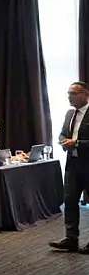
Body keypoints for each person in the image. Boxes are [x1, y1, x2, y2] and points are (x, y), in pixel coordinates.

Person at [50, 82, 89, 253]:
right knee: (70, 201)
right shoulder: (69, 113)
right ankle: (71, 239)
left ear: (85, 94)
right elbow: (63, 133)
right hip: (72, 164)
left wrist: (77, 143)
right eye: (68, 93)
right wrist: (63, 141)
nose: (69, 97)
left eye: (73, 93)